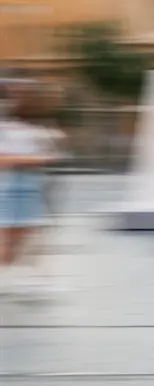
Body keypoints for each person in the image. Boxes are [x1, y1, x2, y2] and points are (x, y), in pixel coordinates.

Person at [0, 81, 64, 294]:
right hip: (11, 187)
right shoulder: (8, 130)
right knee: (10, 237)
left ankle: (39, 277)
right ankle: (35, 276)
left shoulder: (38, 130)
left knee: (29, 234)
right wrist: (36, 159)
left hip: (31, 187)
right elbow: (4, 160)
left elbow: (53, 152)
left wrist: (46, 154)